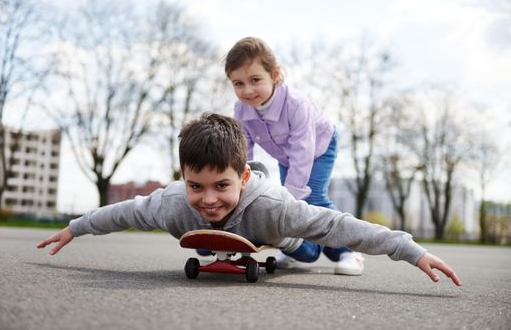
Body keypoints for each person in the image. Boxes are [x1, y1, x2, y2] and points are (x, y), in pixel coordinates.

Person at [37, 113, 462, 288]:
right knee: (200, 233)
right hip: (237, 230)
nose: (207, 200)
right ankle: (224, 238)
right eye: (195, 186)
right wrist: (77, 226)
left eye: (221, 186)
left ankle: (294, 249)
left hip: (277, 228)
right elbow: (126, 211)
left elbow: (337, 226)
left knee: (308, 250)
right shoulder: (171, 202)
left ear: (241, 176)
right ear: (182, 177)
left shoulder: (274, 208)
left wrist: (408, 249)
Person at [225, 36, 362, 274]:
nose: (247, 90)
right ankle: (297, 252)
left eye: (255, 80)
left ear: (275, 75)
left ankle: (348, 250)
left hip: (319, 146)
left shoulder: (296, 104)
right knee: (293, 200)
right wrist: (240, 186)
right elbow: (242, 150)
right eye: (238, 83)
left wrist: (290, 198)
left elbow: (303, 149)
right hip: (286, 156)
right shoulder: (241, 109)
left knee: (313, 199)